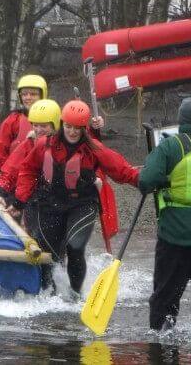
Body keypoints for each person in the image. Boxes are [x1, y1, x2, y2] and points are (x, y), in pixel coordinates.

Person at [11, 100, 139, 295]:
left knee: (75, 246)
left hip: (82, 203)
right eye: (68, 127)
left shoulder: (94, 148)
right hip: (49, 203)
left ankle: (75, 296)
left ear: (84, 128)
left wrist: (142, 181)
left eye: (77, 128)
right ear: (62, 124)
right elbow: (27, 170)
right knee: (48, 253)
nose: (72, 132)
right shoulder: (44, 145)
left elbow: (121, 170)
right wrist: (20, 200)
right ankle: (49, 294)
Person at [0, 75, 104, 186]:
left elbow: (84, 141)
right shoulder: (13, 120)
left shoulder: (57, 116)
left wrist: (94, 128)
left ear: (42, 94)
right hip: (20, 176)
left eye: (33, 94)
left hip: (51, 177)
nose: (28, 98)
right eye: (24, 94)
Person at [138, 97, 191, 331]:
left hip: (174, 236)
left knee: (165, 297)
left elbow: (146, 180)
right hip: (175, 235)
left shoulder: (171, 146)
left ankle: (161, 342)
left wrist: (165, 179)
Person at [0, 99, 61, 211]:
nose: (38, 130)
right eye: (35, 125)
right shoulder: (29, 144)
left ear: (54, 126)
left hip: (59, 199)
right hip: (32, 197)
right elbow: (10, 172)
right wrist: (0, 193)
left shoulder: (64, 146)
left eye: (43, 126)